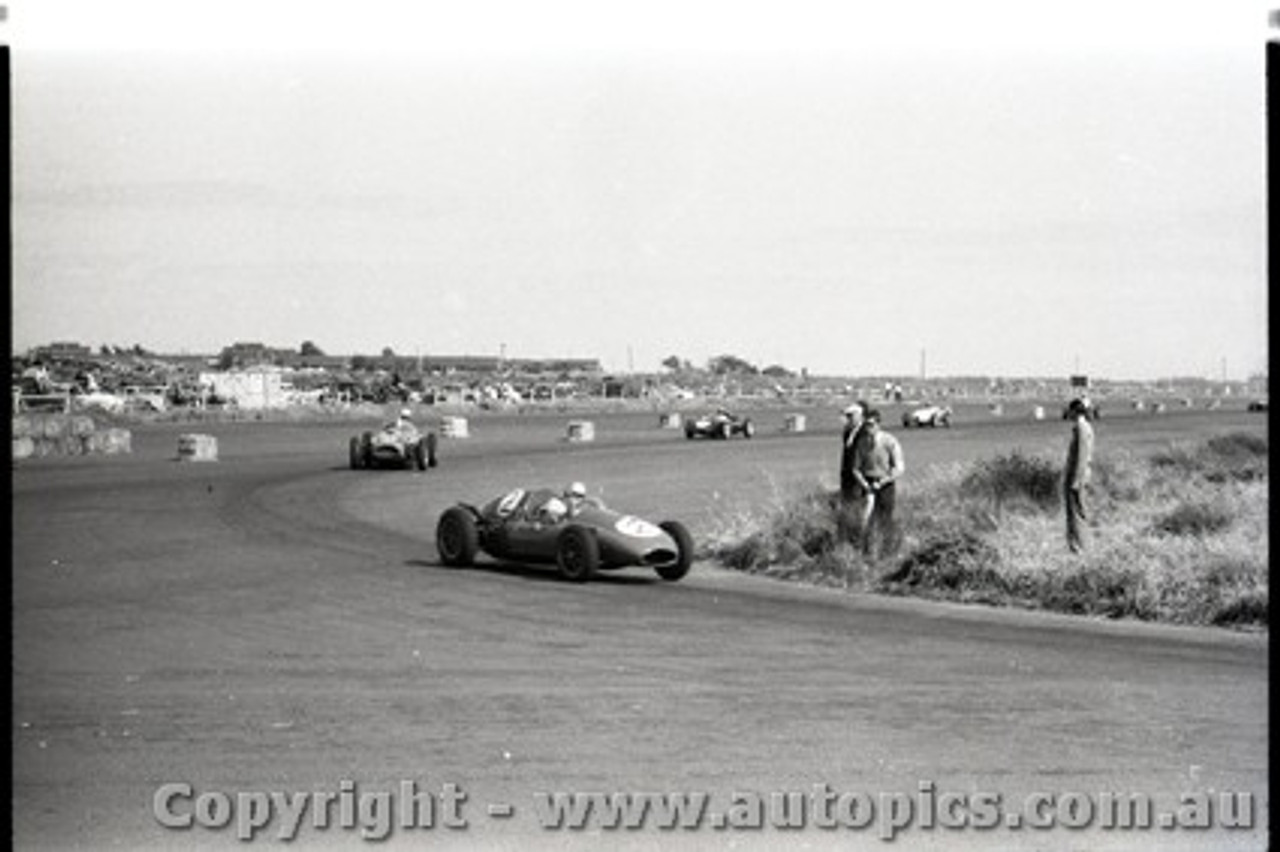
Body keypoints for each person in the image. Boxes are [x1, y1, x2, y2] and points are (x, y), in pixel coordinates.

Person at [850, 409, 905, 559]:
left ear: (878, 424)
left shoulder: (890, 441)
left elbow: (899, 468)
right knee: (865, 519)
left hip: (885, 484)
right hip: (866, 484)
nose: (868, 428)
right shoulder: (861, 443)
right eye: (866, 425)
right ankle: (865, 552)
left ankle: (886, 553)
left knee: (885, 518)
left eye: (871, 424)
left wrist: (882, 482)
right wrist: (864, 484)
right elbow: (855, 468)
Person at [1064, 397, 1095, 553]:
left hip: (1078, 476)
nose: (1067, 413)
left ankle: (1080, 547)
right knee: (1077, 511)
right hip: (1080, 475)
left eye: (1069, 410)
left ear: (1075, 411)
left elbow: (1082, 456)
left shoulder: (1081, 428)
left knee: (1076, 512)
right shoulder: (1083, 427)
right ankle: (1079, 545)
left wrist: (1076, 480)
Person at [838, 402, 871, 544]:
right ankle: (849, 537)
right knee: (848, 507)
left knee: (860, 509)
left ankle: (860, 538)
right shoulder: (847, 432)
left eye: (851, 416)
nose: (848, 418)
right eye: (847, 416)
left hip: (860, 477)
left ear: (860, 415)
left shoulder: (865, 431)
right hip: (847, 477)